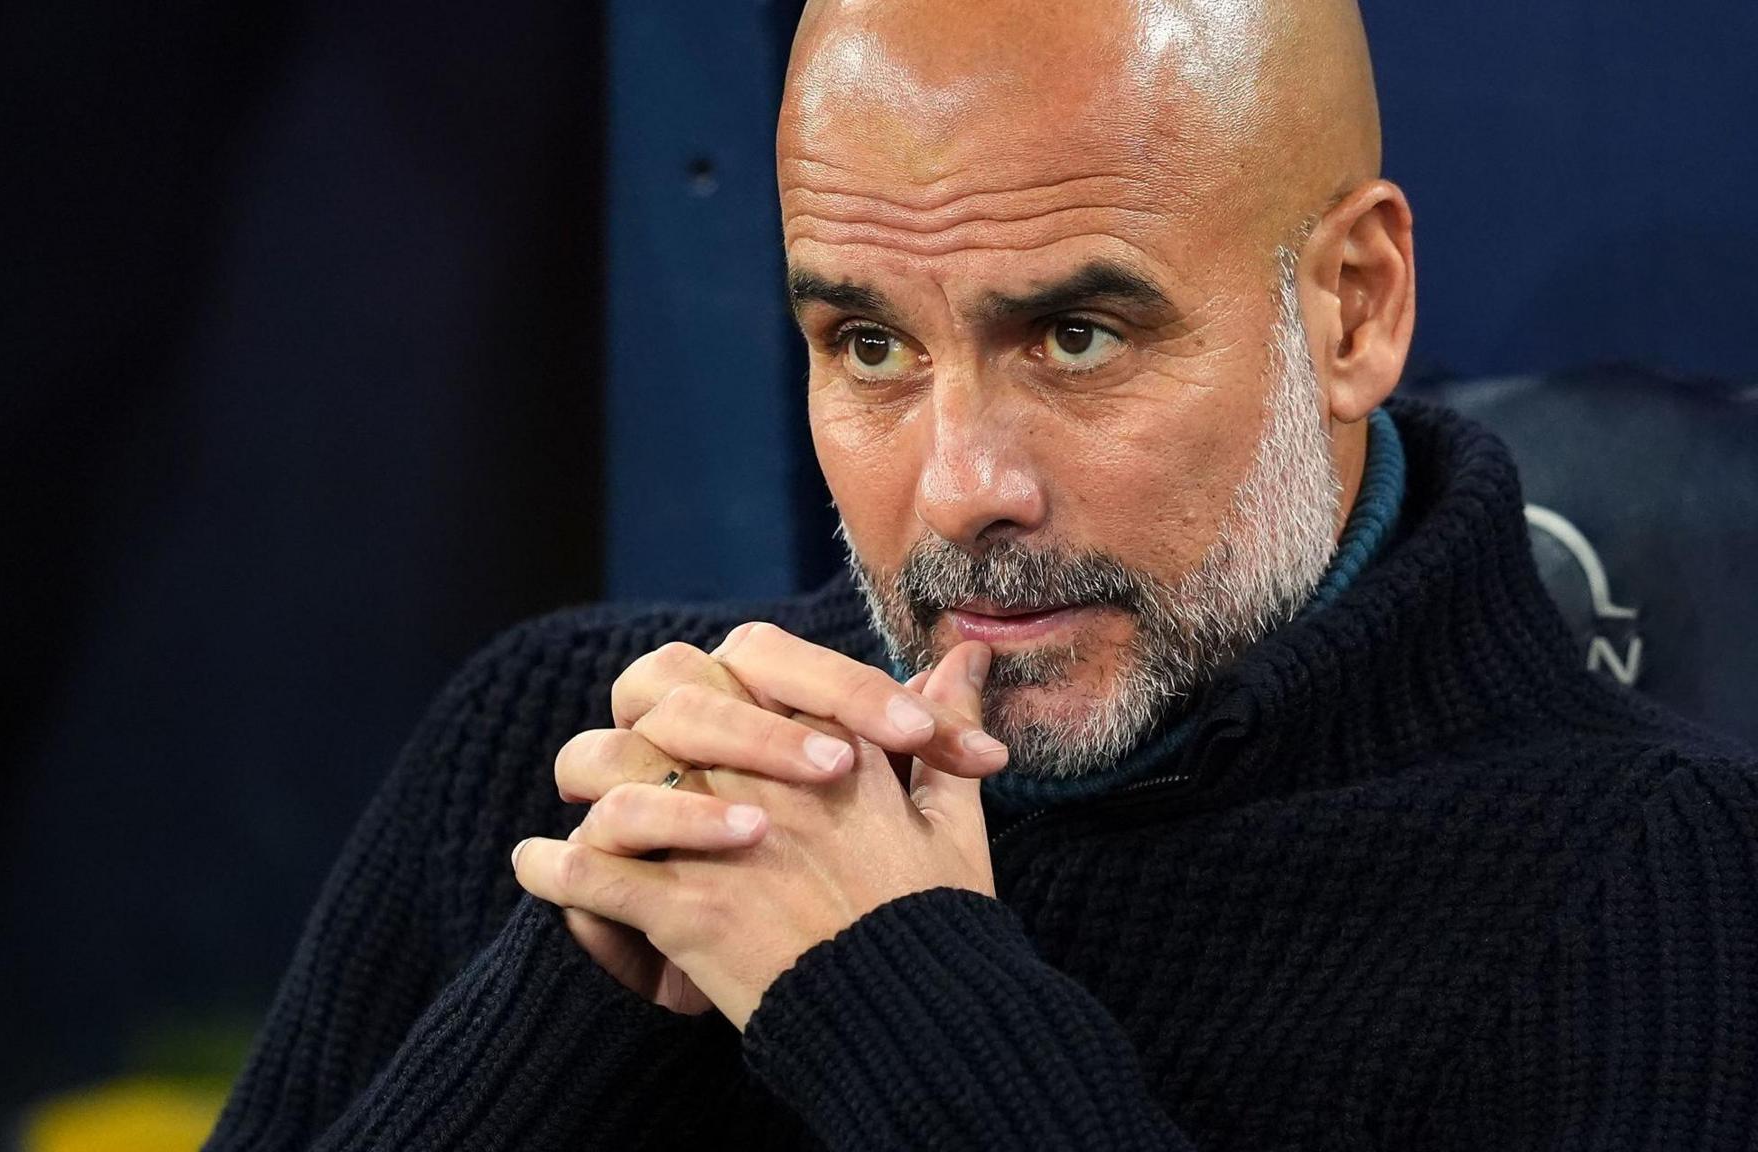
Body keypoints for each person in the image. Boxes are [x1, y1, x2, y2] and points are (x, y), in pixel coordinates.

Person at [206, 0, 1758, 1148]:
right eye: (869, 344)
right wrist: (576, 996)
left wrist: (892, 992)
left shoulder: (1644, 890)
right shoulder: (553, 747)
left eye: (1078, 337)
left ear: (1352, 308)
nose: (962, 492)